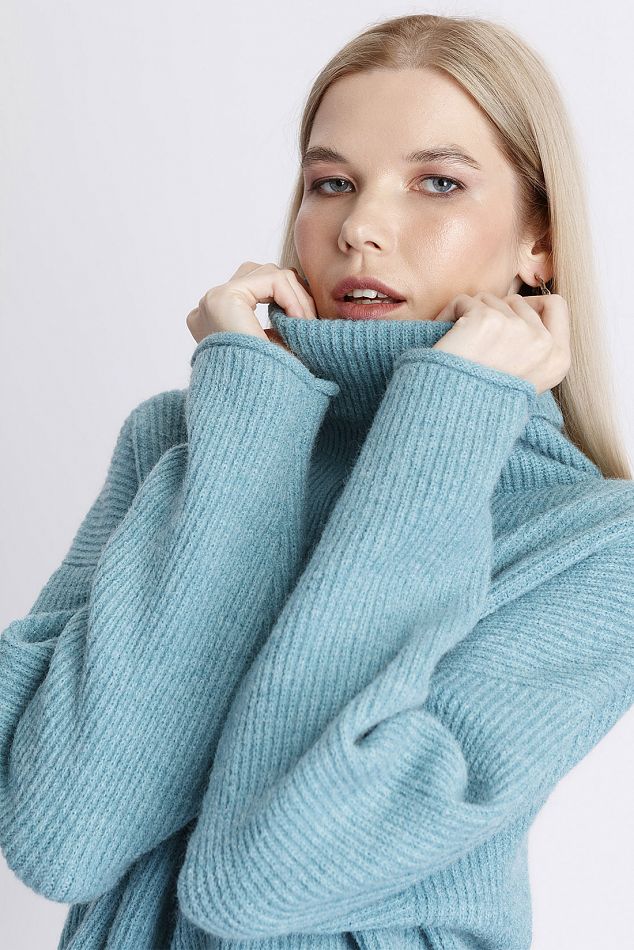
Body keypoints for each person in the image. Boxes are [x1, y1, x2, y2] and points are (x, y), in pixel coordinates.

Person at [2, 13, 633, 950]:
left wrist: (447, 422)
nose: (361, 227)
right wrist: (250, 414)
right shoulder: (186, 441)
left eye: (438, 183)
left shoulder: (596, 540)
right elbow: (62, 837)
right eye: (332, 182)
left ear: (537, 241)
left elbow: (261, 877)